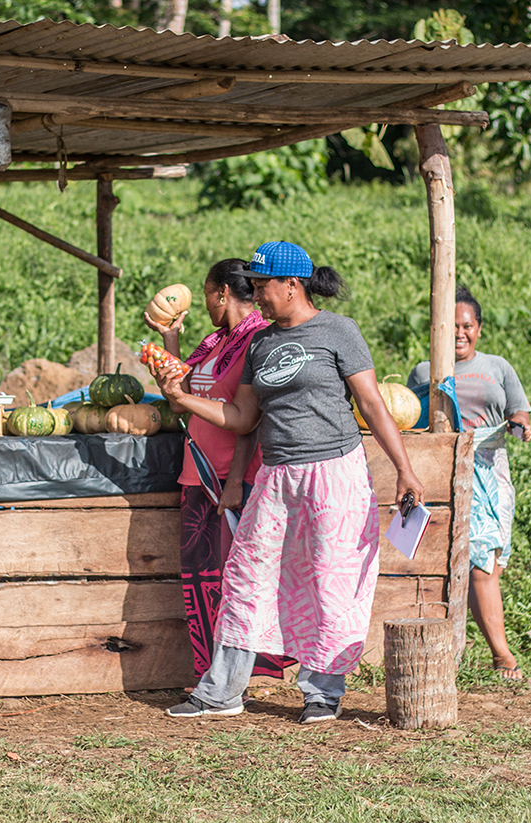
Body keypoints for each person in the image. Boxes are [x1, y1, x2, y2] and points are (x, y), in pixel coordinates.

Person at [153, 241, 425, 723]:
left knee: (330, 580)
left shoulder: (339, 331)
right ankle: (222, 692)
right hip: (276, 476)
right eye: (253, 287)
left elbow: (373, 406)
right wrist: (187, 406)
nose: (256, 296)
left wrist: (404, 468)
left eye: (262, 287)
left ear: (292, 285)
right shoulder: (262, 343)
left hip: (334, 473)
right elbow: (243, 420)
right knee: (244, 578)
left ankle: (322, 692)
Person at [144, 259, 292, 681]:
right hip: (198, 472)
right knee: (202, 580)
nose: (206, 303)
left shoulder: (258, 339)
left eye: (208, 294)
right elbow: (181, 397)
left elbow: (253, 418)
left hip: (236, 478)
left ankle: (252, 675)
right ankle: (214, 674)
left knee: (240, 580)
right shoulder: (212, 342)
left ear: (223, 293)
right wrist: (169, 342)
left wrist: (233, 481)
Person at [407, 285, 531, 680]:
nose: (459, 333)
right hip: (444, 472)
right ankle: (502, 655)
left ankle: (476, 646)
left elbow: (520, 413)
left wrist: (520, 428)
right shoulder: (424, 372)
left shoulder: (498, 367)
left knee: (489, 564)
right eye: (452, 326)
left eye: (468, 326)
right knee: (476, 562)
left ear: (478, 328)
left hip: (491, 471)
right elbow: (410, 420)